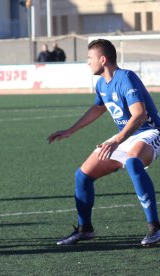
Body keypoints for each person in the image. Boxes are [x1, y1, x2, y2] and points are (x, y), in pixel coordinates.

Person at [48, 39, 160, 247]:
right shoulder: (101, 83)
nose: (87, 62)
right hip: (126, 136)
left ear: (102, 59)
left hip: (150, 131)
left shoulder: (126, 77)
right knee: (82, 175)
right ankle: (85, 230)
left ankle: (155, 228)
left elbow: (140, 115)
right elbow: (98, 108)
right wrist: (70, 130)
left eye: (90, 58)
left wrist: (116, 141)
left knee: (133, 162)